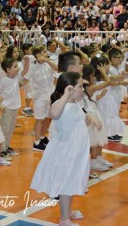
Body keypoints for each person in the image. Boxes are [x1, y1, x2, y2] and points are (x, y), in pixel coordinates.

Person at [31, 72, 90, 226]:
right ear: (69, 89)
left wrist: (91, 119)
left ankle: (68, 211)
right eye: (80, 86)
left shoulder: (77, 104)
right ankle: (64, 219)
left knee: (71, 181)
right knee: (66, 183)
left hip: (77, 151)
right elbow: (54, 114)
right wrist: (65, 95)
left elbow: (78, 122)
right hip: (67, 151)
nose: (83, 89)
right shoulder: (59, 104)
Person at [23, 45, 58, 151]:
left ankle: (42, 137)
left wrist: (46, 60)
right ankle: (36, 142)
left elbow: (57, 68)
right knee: (39, 119)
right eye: (44, 52)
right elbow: (26, 79)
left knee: (48, 118)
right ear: (38, 55)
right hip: (39, 96)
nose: (46, 53)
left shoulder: (49, 63)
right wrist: (16, 85)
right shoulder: (33, 66)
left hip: (49, 95)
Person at [0, 58, 24, 158]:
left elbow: (25, 73)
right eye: (15, 67)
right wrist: (0, 105)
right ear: (8, 69)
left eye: (17, 66)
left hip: (14, 107)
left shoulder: (17, 78)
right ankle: (1, 150)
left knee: (10, 129)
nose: (17, 68)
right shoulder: (3, 81)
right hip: (6, 108)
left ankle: (6, 147)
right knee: (5, 129)